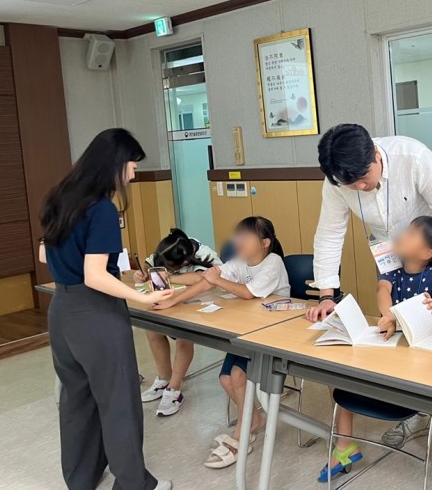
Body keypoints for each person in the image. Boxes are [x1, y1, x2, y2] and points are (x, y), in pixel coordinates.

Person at [40, 128, 173, 490]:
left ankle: (81, 478)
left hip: (62, 311)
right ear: (115, 163)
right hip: (96, 314)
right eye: (132, 165)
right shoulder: (101, 208)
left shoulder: (59, 197)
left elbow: (44, 254)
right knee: (118, 402)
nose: (133, 174)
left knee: (76, 400)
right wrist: (143, 298)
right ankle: (133, 483)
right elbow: (96, 275)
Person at [318, 217, 432, 482]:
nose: (402, 235)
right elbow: (382, 291)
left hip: (429, 351)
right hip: (399, 350)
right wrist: (390, 316)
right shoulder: (393, 270)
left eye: (411, 233)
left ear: (425, 253)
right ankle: (411, 417)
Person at [155, 217, 289, 469]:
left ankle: (241, 433)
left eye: (245, 236)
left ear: (264, 243)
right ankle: (254, 420)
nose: (237, 241)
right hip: (246, 330)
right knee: (226, 379)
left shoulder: (274, 262)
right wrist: (172, 299)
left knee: (237, 376)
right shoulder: (240, 262)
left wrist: (216, 279)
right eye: (238, 235)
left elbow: (247, 292)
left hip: (271, 335)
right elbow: (206, 280)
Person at [306, 123, 432, 322]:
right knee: (394, 319)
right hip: (388, 258)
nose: (360, 186)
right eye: (351, 185)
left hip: (430, 255)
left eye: (364, 177)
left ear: (376, 154)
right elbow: (330, 233)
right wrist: (326, 296)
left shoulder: (414, 157)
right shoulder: (337, 179)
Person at [136, 228, 222, 416]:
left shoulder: (203, 253)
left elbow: (203, 278)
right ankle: (164, 379)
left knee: (184, 335)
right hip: (175, 301)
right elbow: (150, 262)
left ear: (184, 263)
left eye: (171, 267)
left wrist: (170, 277)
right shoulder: (170, 248)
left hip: (204, 302)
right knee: (152, 329)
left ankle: (174, 389)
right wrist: (144, 273)